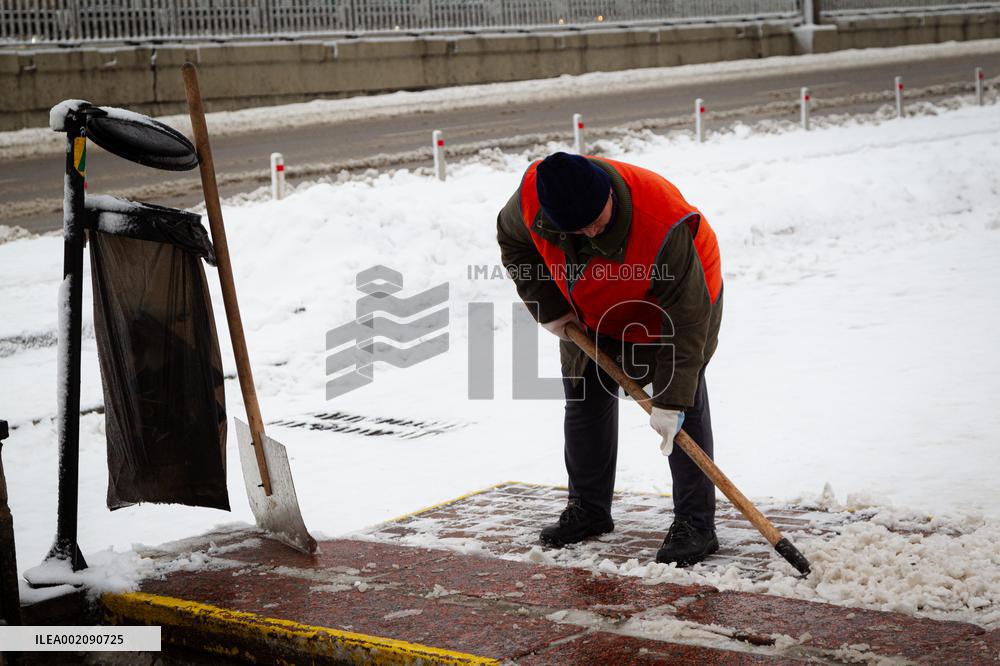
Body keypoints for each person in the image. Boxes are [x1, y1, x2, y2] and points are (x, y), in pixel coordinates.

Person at [496, 152, 723, 566]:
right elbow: (514, 243)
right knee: (583, 396)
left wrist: (671, 401)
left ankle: (696, 525)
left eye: (596, 221)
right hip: (587, 302)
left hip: (674, 307)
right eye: (578, 227)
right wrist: (550, 307)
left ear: (608, 196)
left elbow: (687, 321)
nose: (590, 229)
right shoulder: (534, 195)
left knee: (683, 409)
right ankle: (588, 510)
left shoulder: (662, 223)